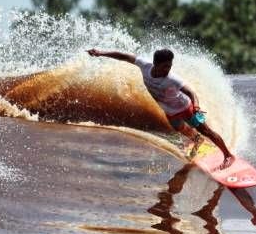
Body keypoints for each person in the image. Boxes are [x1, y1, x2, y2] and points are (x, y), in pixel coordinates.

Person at [87, 48, 234, 165]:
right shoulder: (144, 65)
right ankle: (197, 140)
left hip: (186, 109)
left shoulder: (172, 79)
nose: (168, 69)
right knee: (180, 129)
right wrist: (101, 53)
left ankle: (228, 155)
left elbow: (191, 92)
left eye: (170, 66)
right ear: (155, 64)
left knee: (206, 130)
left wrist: (196, 107)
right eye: (165, 66)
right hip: (170, 112)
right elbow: (124, 56)